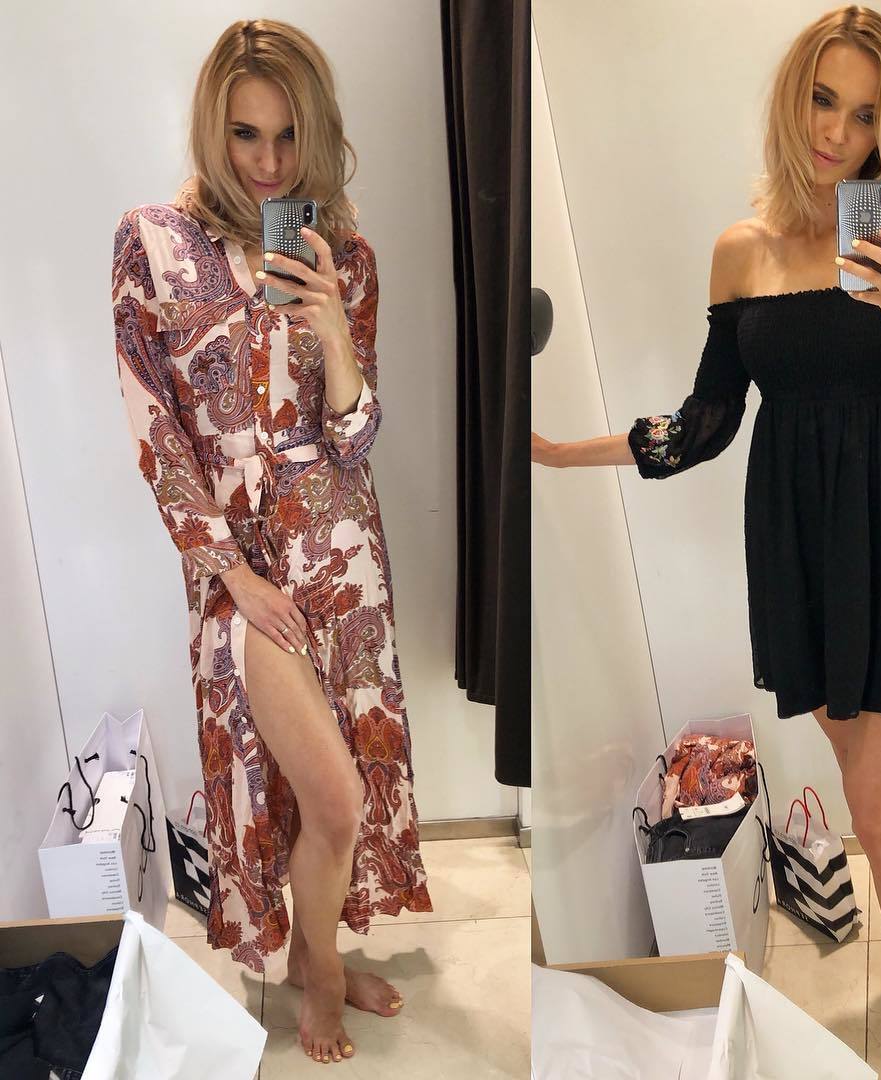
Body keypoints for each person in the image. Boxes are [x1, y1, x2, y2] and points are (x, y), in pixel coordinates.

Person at [532, 7, 881, 1078]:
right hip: (799, 554)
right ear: (793, 100)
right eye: (824, 100)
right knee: (866, 789)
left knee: (878, 812)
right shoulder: (741, 253)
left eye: (866, 114)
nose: (837, 131)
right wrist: (558, 454)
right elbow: (705, 424)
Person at [111, 19, 433, 1067]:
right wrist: (231, 574)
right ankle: (321, 976)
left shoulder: (346, 257)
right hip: (240, 570)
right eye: (245, 134)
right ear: (215, 130)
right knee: (330, 797)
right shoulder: (153, 244)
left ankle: (311, 956)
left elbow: (356, 438)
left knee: (335, 792)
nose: (267, 162)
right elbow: (155, 430)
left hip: (342, 555)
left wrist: (334, 325)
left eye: (289, 136)